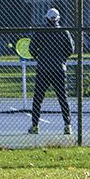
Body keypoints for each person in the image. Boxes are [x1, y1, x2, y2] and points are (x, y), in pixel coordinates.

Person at [28, 7, 74, 135]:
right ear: (58, 19)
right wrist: (62, 59)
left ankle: (35, 126)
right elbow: (70, 50)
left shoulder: (40, 32)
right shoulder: (64, 32)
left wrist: (39, 56)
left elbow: (32, 49)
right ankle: (67, 126)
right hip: (59, 69)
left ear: (47, 18)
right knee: (62, 97)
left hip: (43, 70)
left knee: (38, 98)